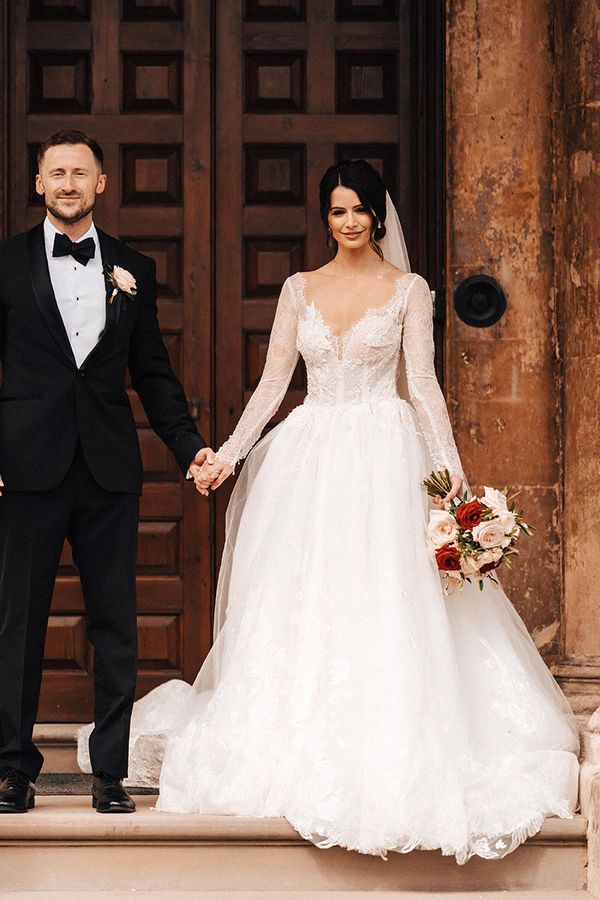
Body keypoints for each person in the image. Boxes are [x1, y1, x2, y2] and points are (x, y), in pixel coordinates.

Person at [84, 160, 579, 862]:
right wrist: (228, 454)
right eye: (338, 211)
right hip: (310, 456)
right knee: (304, 596)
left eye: (359, 210)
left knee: (387, 595)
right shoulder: (298, 288)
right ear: (326, 218)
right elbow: (272, 383)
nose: (349, 222)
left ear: (378, 216)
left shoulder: (409, 289)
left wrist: (456, 488)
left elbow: (423, 386)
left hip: (386, 454)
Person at [0, 130, 215, 815]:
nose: (68, 183)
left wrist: (189, 449)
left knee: (116, 625)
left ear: (100, 184)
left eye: (80, 173)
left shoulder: (133, 269)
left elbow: (152, 372)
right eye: (56, 172)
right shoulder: (4, 264)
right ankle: (13, 770)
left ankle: (110, 774)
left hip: (108, 470)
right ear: (39, 183)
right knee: (18, 624)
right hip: (25, 469)